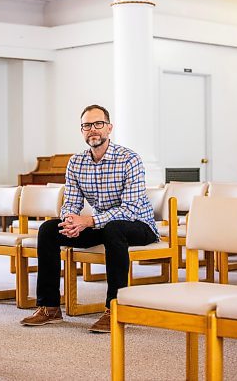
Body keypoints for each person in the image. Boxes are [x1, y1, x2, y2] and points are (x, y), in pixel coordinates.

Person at [21, 104, 159, 333]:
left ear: (109, 128)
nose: (92, 129)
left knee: (114, 229)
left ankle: (114, 310)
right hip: (102, 224)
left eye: (98, 124)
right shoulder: (77, 162)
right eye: (87, 125)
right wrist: (70, 221)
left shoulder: (129, 159)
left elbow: (131, 208)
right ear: (82, 130)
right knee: (48, 229)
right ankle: (50, 307)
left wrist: (88, 221)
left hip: (138, 225)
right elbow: (72, 203)